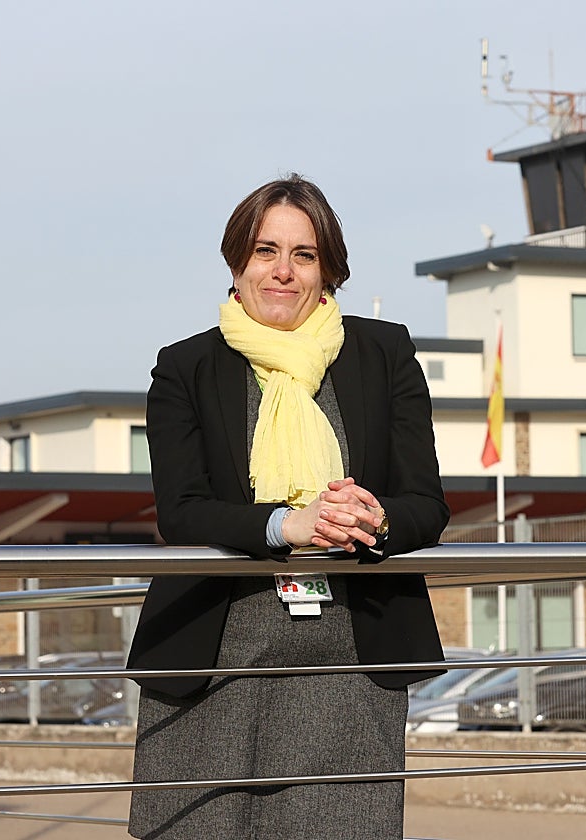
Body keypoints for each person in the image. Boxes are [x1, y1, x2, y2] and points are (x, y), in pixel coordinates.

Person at [126, 174, 449, 839]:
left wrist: (377, 517)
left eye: (303, 255)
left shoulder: (385, 355)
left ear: (328, 268)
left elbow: (427, 505)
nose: (282, 271)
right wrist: (287, 525)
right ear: (236, 263)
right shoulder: (185, 366)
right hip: (215, 657)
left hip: (350, 665)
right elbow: (181, 512)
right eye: (265, 250)